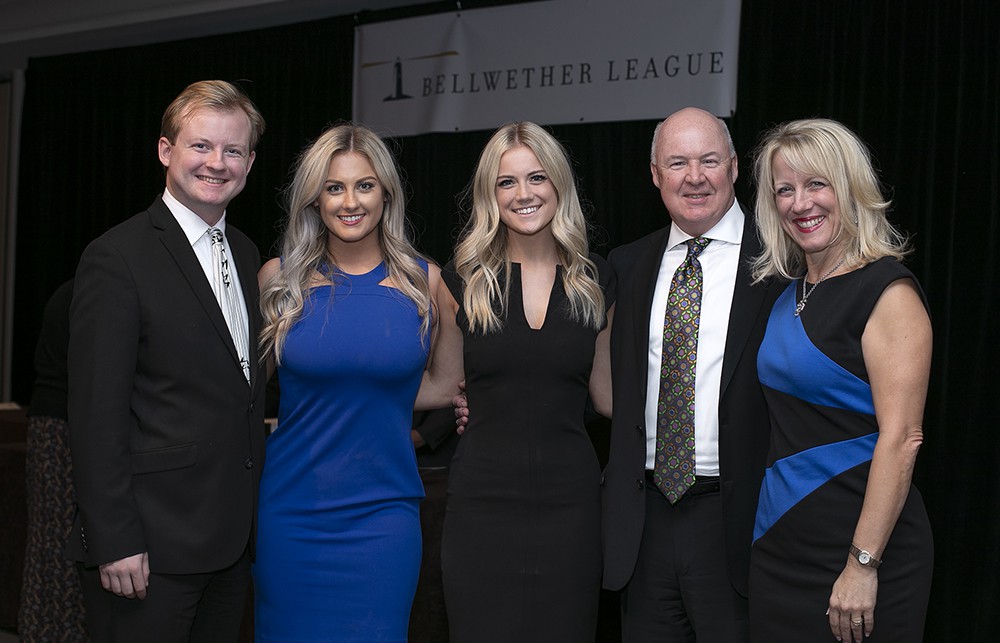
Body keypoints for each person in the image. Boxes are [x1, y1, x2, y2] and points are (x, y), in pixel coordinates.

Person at [67, 80, 267, 641]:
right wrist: (115, 538)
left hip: (231, 543)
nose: (217, 163)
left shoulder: (247, 252)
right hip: (148, 550)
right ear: (165, 151)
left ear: (250, 162)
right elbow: (94, 414)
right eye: (201, 146)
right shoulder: (117, 257)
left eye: (233, 150)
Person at [253, 124, 449, 642]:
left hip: (383, 519)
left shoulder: (424, 282)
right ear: (314, 199)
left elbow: (445, 386)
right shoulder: (279, 281)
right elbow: (243, 393)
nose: (350, 202)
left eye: (364, 185)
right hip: (292, 513)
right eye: (334, 187)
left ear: (386, 192)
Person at [600, 107, 782, 642]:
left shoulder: (781, 260)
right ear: (655, 175)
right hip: (644, 518)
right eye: (677, 163)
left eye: (708, 160)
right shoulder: (627, 265)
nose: (694, 177)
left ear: (733, 166)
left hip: (739, 518)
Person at [748, 118, 933, 642]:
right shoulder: (786, 295)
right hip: (778, 547)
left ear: (849, 188)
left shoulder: (887, 291)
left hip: (863, 557)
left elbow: (902, 439)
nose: (800, 203)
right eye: (785, 189)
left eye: (816, 184)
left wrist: (863, 564)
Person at [430, 121, 615, 642]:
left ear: (558, 184)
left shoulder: (597, 280)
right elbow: (444, 385)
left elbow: (607, 397)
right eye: (506, 182)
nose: (524, 193)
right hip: (480, 508)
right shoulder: (461, 280)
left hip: (572, 509)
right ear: (491, 195)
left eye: (537, 178)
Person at [20, 279, 88, 642]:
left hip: (52, 423)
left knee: (52, 546)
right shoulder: (84, 293)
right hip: (62, 428)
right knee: (60, 547)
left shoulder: (72, 290)